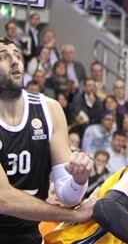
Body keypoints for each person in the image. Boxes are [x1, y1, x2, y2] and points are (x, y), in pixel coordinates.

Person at [0, 38, 96, 242]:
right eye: (4, 57)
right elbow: (3, 200)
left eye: (17, 55)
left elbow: (66, 195)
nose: (15, 61)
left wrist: (79, 179)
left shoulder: (49, 109)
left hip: (27, 233)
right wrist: (74, 215)